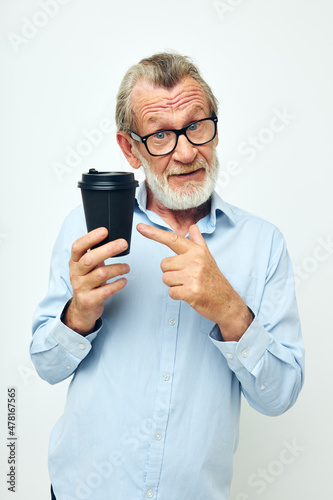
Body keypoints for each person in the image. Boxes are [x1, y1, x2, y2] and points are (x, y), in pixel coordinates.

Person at [31, 52, 305, 500]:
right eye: (160, 134)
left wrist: (229, 309)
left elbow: (279, 397)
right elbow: (45, 366)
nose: (185, 150)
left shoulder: (264, 243)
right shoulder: (87, 229)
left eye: (197, 125)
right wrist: (79, 312)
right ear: (129, 149)